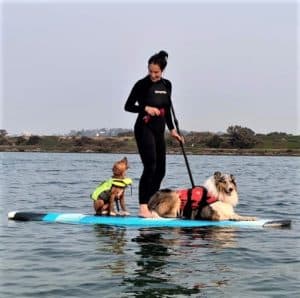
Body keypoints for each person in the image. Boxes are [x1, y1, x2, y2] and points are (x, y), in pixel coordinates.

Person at [124, 50, 183, 218]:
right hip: (144, 128)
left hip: (160, 130)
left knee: (161, 170)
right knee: (150, 167)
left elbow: (168, 110)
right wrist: (145, 108)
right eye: (150, 71)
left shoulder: (167, 85)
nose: (153, 75)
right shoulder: (141, 84)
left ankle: (152, 205)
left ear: (162, 71)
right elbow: (127, 106)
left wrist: (172, 130)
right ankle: (143, 208)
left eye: (156, 72)